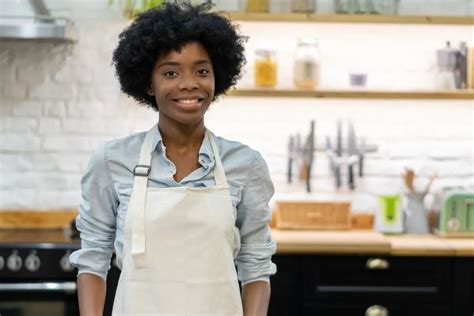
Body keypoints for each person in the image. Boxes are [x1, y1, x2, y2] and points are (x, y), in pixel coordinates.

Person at [69, 2, 277, 315]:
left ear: (217, 77)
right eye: (170, 72)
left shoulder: (245, 165)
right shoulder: (112, 162)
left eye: (202, 71)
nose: (189, 83)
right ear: (149, 83)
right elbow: (93, 261)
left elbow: (256, 267)